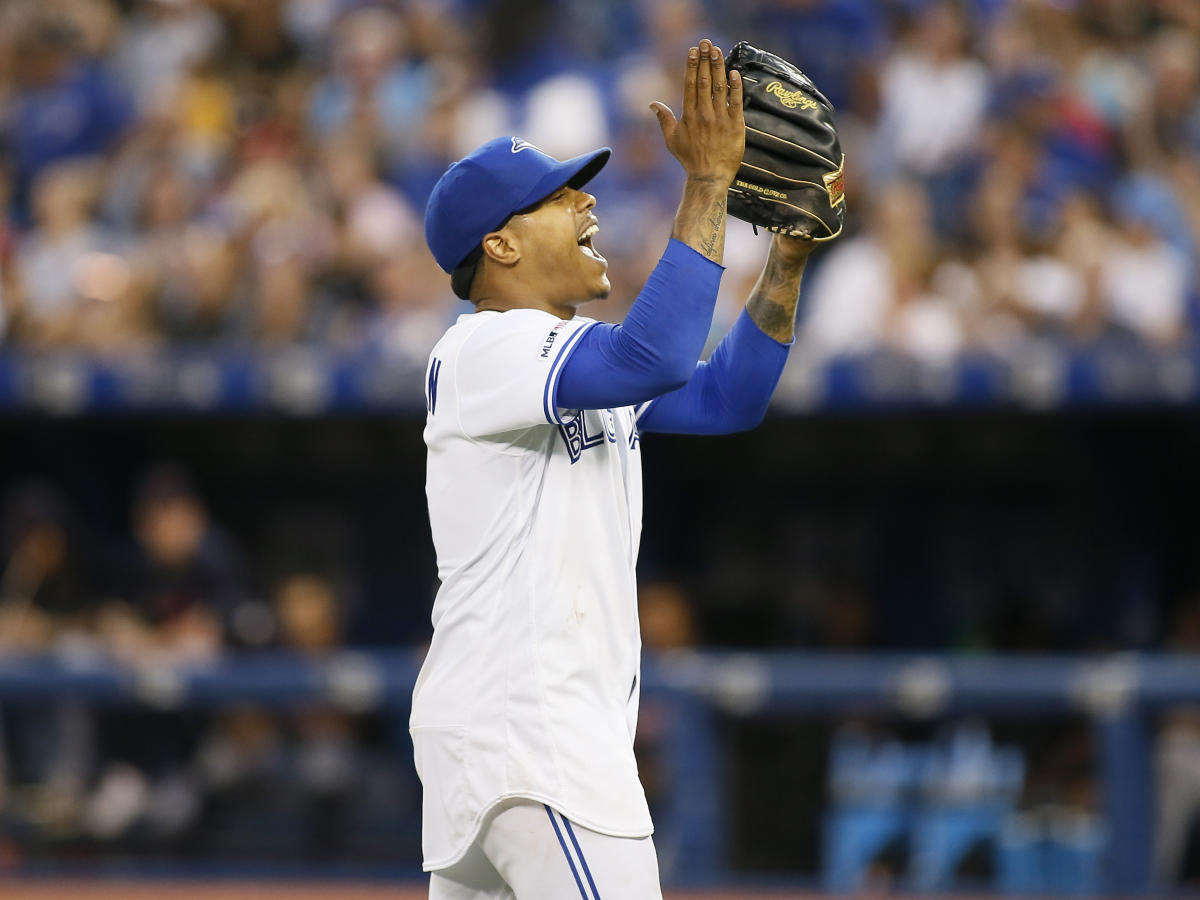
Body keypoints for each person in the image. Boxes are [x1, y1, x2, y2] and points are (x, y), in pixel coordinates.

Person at [415, 38, 817, 899]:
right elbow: (657, 358)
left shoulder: (562, 363)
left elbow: (724, 400)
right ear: (502, 247)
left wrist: (784, 259)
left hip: (503, 744)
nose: (585, 200)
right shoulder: (489, 346)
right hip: (536, 740)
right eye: (557, 197)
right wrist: (707, 186)